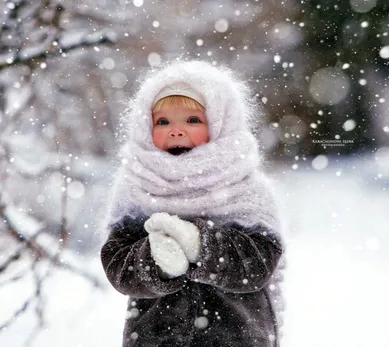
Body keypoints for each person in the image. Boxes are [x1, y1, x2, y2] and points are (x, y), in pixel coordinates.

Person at [100, 59, 286, 347]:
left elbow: (259, 264)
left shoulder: (245, 188)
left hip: (238, 338)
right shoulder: (136, 188)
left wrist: (202, 247)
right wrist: (154, 262)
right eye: (163, 122)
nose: (176, 131)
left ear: (220, 124)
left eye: (193, 120)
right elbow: (117, 265)